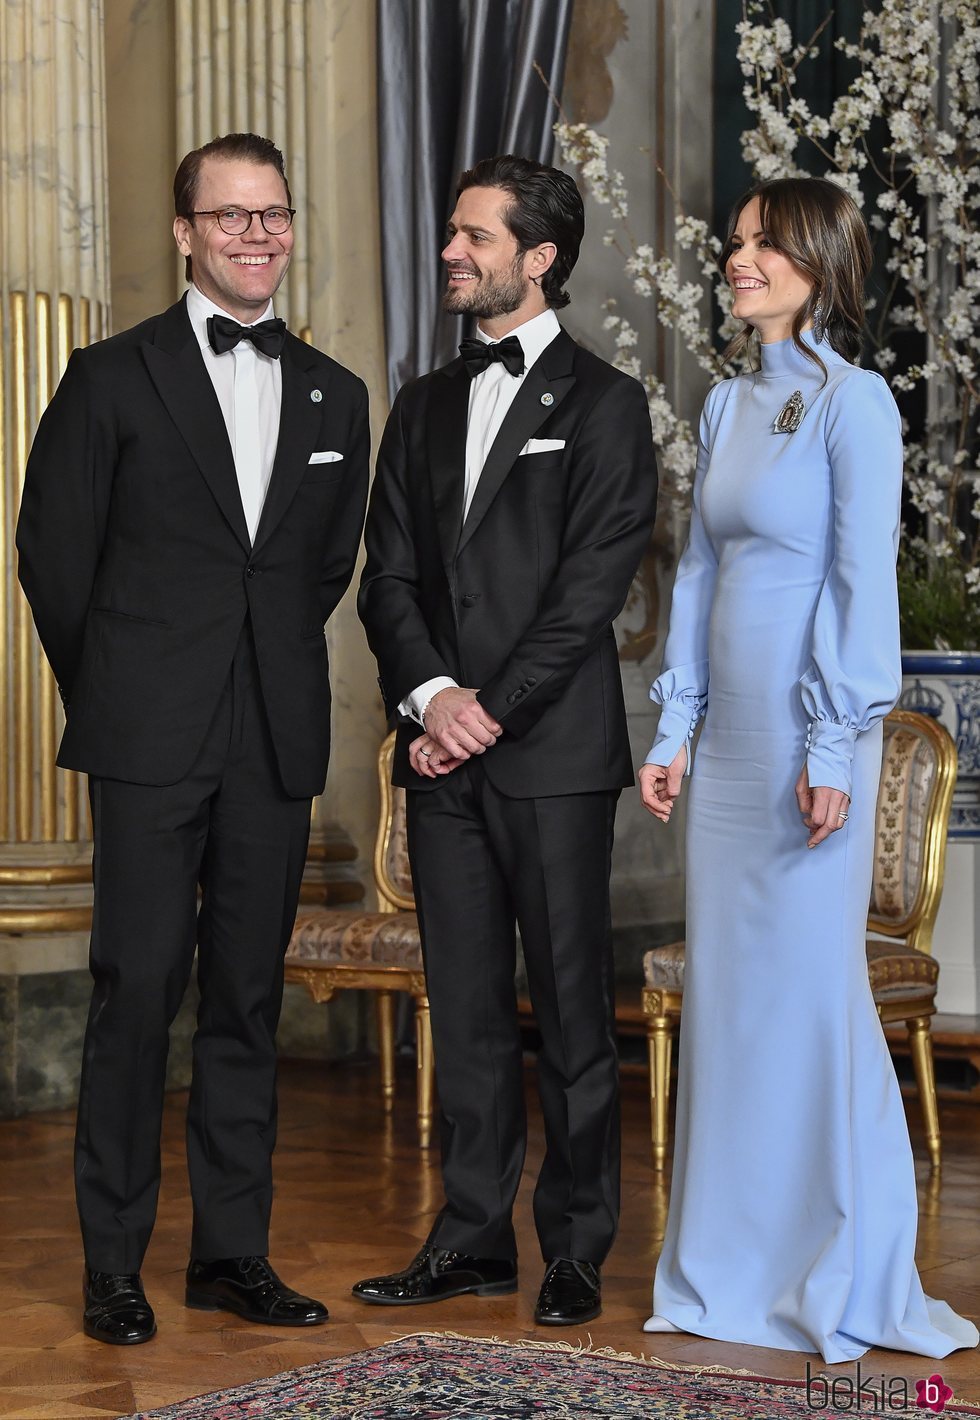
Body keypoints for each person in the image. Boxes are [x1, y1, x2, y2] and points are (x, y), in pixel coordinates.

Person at [16, 132, 369, 1345]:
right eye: (231, 217)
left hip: (271, 739)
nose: (256, 235)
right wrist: (123, 689)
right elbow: (53, 560)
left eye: (272, 214)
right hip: (147, 737)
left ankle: (232, 1253)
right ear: (184, 233)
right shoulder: (108, 378)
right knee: (135, 990)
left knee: (247, 999)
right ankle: (113, 1261)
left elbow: (316, 571)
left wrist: (245, 670)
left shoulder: (336, 394)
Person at [639, 176, 978, 1362]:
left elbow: (856, 582)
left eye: (758, 245)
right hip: (726, 754)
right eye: (732, 244)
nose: (735, 261)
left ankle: (831, 1267)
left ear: (816, 262)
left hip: (801, 748)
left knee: (803, 1006)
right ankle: (724, 1271)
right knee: (732, 1010)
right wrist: (672, 730)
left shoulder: (857, 403)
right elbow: (693, 576)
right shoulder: (727, 406)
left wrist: (835, 742)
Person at [355, 154, 657, 1326]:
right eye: (450, 233)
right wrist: (431, 697)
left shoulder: (606, 404)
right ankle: (471, 1237)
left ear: (537, 258)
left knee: (574, 1018)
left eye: (473, 236)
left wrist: (484, 709)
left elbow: (589, 591)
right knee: (466, 1008)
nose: (450, 253)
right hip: (441, 755)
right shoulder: (419, 403)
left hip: (551, 757)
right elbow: (385, 579)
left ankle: (575, 1246)